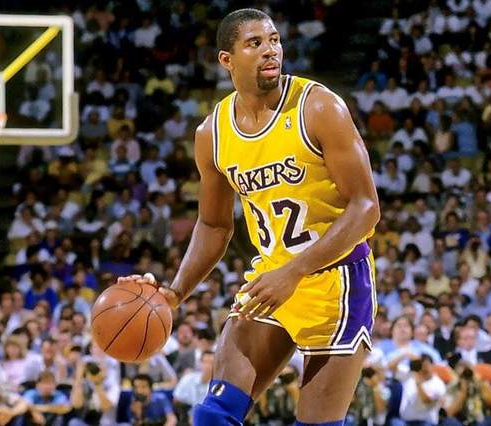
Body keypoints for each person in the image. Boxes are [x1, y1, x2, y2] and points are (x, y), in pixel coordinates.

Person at [120, 8, 380, 426]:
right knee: (213, 416)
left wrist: (294, 272)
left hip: (337, 281)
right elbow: (214, 225)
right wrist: (174, 292)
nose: (270, 50)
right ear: (227, 59)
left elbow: (366, 207)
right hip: (271, 278)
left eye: (274, 40)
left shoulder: (319, 107)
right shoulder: (212, 133)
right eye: (255, 43)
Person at [390, 354, 446, 426]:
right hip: (405, 422)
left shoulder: (438, 383)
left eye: (426, 365)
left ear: (432, 366)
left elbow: (426, 401)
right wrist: (405, 354)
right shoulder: (410, 374)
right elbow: (391, 367)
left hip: (426, 422)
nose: (423, 368)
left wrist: (418, 383)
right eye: (420, 365)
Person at [173, 351, 214, 424]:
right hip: (185, 417)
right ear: (200, 363)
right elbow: (176, 399)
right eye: (205, 362)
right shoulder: (188, 378)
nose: (208, 366)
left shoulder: (217, 386)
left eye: (211, 363)